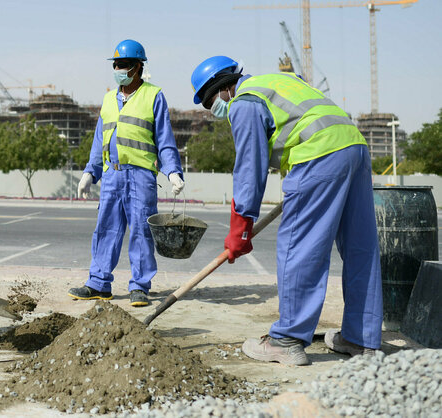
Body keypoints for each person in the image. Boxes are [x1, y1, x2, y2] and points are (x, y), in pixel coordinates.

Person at [189, 56, 383, 365]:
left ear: (222, 89)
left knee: (299, 246)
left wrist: (240, 227)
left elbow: (250, 169)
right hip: (353, 148)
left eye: (210, 103)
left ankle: (286, 340)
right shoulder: (278, 83)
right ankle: (362, 339)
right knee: (361, 249)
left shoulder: (244, 101)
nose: (215, 111)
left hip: (317, 154)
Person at [71, 40, 184, 308]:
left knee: (142, 232)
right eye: (115, 65)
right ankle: (99, 284)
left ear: (138, 67)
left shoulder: (153, 95)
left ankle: (140, 287)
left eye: (123, 65)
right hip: (113, 174)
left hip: (142, 175)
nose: (118, 69)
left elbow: (164, 140)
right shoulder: (109, 99)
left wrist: (173, 172)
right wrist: (90, 172)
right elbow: (100, 141)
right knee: (105, 229)